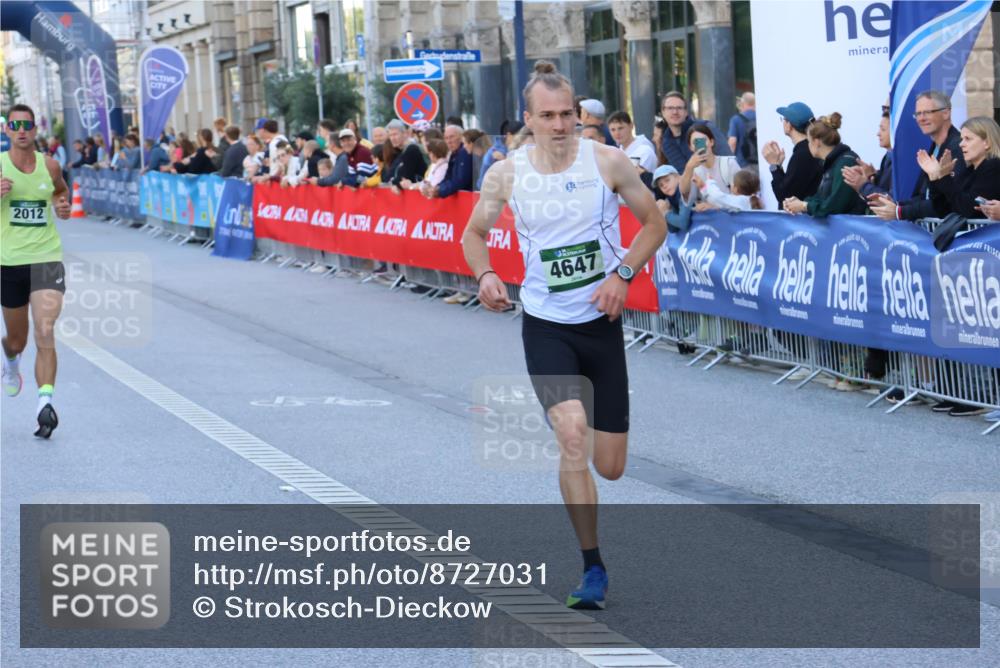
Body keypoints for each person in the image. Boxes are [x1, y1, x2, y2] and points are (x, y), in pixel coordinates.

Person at [461, 60, 666, 611]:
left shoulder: (609, 162)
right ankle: (592, 566)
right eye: (547, 116)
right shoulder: (507, 173)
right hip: (546, 324)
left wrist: (622, 275)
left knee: (611, 465)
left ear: (579, 114)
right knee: (571, 434)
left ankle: (596, 523)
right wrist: (484, 274)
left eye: (567, 114)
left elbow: (654, 224)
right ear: (528, 119)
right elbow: (475, 233)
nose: (558, 124)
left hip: (600, 325)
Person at [0, 104, 73, 438]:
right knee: (17, 340)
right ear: (7, 130)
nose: (21, 130)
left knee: (45, 326)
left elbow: (60, 192)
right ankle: (11, 361)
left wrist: (62, 205)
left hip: (46, 257)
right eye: (15, 124)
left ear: (35, 130)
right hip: (9, 261)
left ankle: (44, 404)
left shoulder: (50, 165)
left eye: (27, 125)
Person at [871, 91, 968, 221]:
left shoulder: (959, 148)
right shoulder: (932, 149)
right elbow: (924, 196)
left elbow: (946, 202)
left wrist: (900, 212)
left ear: (946, 113)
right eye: (918, 114)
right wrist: (896, 205)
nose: (921, 118)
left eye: (927, 112)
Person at [782, 113, 866, 217]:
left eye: (808, 141)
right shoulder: (831, 162)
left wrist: (804, 206)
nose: (807, 145)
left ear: (816, 142)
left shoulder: (845, 163)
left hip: (851, 231)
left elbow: (835, 206)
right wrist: (798, 203)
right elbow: (821, 198)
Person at [923, 116, 1000, 220]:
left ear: (987, 143)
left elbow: (968, 210)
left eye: (968, 139)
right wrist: (935, 176)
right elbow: (943, 210)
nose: (961, 144)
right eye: (962, 139)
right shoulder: (969, 171)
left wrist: (945, 177)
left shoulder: (993, 167)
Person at [762, 101, 824, 205]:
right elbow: (792, 189)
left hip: (804, 220)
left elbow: (785, 199)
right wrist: (778, 168)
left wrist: (774, 166)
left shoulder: (802, 154)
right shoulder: (811, 149)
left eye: (783, 119)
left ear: (789, 125)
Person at [659, 91, 731, 172]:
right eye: (670, 108)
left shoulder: (703, 129)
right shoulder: (667, 142)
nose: (675, 112)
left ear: (686, 112)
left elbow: (727, 160)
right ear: (663, 112)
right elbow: (682, 172)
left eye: (679, 108)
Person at [679, 124, 741, 205]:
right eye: (695, 142)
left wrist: (714, 207)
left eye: (703, 140)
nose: (701, 146)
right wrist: (689, 167)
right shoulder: (693, 171)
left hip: (730, 216)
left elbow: (741, 198)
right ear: (691, 147)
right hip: (708, 216)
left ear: (712, 142)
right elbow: (686, 195)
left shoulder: (729, 163)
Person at [843, 111, 893, 200]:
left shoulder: (901, 162)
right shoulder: (887, 157)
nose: (878, 133)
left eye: (883, 129)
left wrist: (862, 185)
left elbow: (892, 199)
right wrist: (872, 175)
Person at [425, 125, 473, 198]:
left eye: (452, 137)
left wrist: (440, 190)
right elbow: (448, 177)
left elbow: (461, 180)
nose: (449, 141)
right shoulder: (454, 154)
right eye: (446, 138)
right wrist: (438, 187)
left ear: (461, 137)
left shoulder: (464, 152)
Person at [693, 168, 763, 211]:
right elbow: (716, 202)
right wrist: (703, 187)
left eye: (732, 183)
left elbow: (718, 197)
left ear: (735, 189)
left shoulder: (741, 201)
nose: (731, 185)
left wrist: (710, 181)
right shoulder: (752, 200)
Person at [385, 120, 428, 188]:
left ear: (405, 133)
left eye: (395, 134)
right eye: (390, 135)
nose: (393, 138)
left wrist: (393, 182)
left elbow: (406, 176)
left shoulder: (412, 149)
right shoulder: (400, 152)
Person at [728, 92, 757, 167]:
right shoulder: (760, 117)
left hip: (742, 163)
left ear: (743, 103)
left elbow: (732, 142)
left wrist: (729, 160)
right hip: (760, 162)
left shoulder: (736, 119)